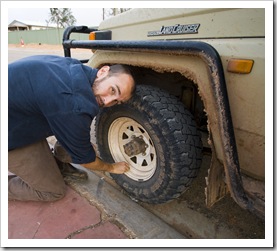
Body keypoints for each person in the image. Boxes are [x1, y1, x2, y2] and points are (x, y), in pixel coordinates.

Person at [8, 55, 136, 202]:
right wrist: (111, 168)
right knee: (53, 191)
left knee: (80, 142)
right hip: (10, 134)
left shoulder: (75, 68)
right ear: (103, 71)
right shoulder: (74, 106)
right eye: (113, 90)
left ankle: (58, 162)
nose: (107, 102)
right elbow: (86, 161)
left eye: (116, 102)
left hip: (17, 112)